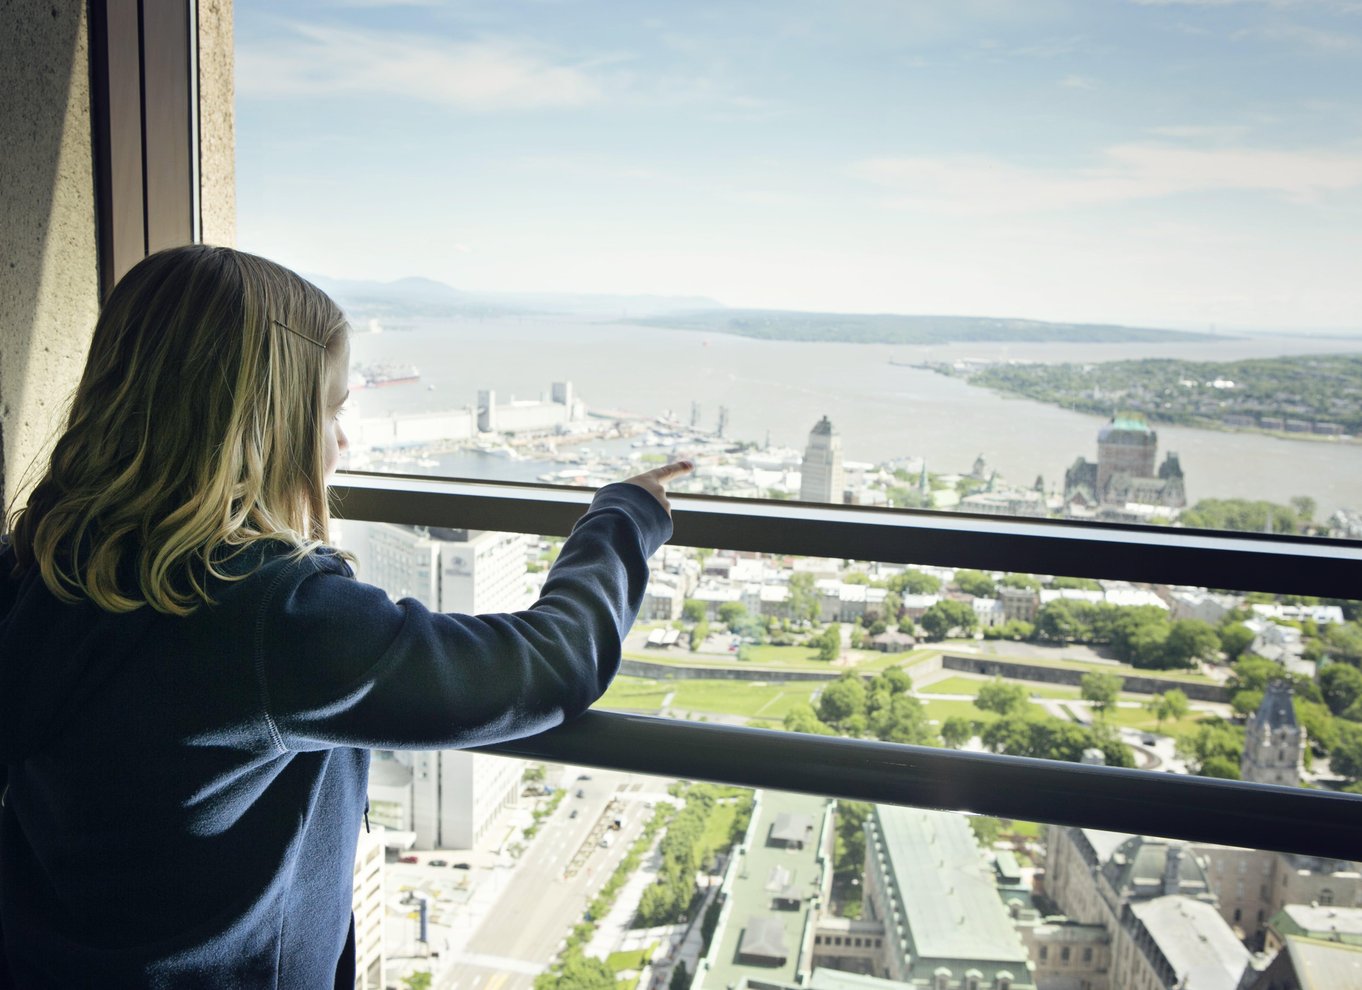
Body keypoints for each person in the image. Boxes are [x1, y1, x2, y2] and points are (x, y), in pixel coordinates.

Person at [0, 244, 690, 987]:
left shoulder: (41, 560)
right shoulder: (272, 616)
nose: (343, 442)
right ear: (263, 424)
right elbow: (552, 664)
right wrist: (626, 515)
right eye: (330, 411)